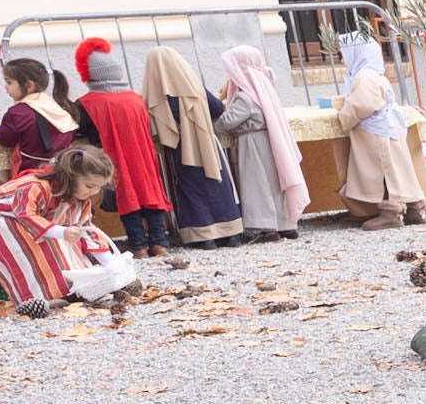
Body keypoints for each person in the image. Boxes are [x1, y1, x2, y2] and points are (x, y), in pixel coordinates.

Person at [0, 144, 125, 313]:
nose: (95, 192)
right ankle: (33, 298)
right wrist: (60, 232)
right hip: (1, 217)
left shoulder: (80, 199)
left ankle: (66, 291)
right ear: (71, 177)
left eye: (99, 187)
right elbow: (26, 215)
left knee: (65, 248)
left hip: (36, 220)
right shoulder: (35, 186)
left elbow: (87, 230)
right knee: (26, 255)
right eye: (90, 186)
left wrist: (112, 265)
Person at [70, 41, 174, 255]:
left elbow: (76, 131)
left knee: (128, 198)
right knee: (149, 194)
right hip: (143, 156)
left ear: (89, 74)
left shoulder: (87, 103)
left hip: (111, 158)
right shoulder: (135, 99)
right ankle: (160, 243)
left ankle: (138, 246)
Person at [138, 47, 241, 250]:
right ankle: (231, 234)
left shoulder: (153, 95)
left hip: (178, 149)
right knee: (217, 185)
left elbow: (151, 126)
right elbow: (217, 109)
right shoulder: (194, 86)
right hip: (205, 143)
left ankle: (204, 236)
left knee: (190, 189)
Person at [210, 43, 309, 243]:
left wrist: (213, 113)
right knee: (275, 183)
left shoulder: (246, 97)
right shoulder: (264, 88)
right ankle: (285, 224)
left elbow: (225, 124)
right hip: (268, 141)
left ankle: (264, 227)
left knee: (257, 185)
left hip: (253, 144)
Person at [335, 32, 426, 229]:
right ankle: (414, 207)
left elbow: (362, 104)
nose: (342, 59)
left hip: (376, 133)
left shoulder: (364, 77)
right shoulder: (374, 73)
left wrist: (344, 115)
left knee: (382, 172)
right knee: (398, 169)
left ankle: (391, 213)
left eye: (342, 53)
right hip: (386, 128)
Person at [0, 57, 81, 177]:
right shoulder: (58, 107)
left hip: (30, 175)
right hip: (62, 173)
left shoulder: (17, 113)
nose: (5, 87)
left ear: (29, 86)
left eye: (9, 82)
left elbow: (4, 139)